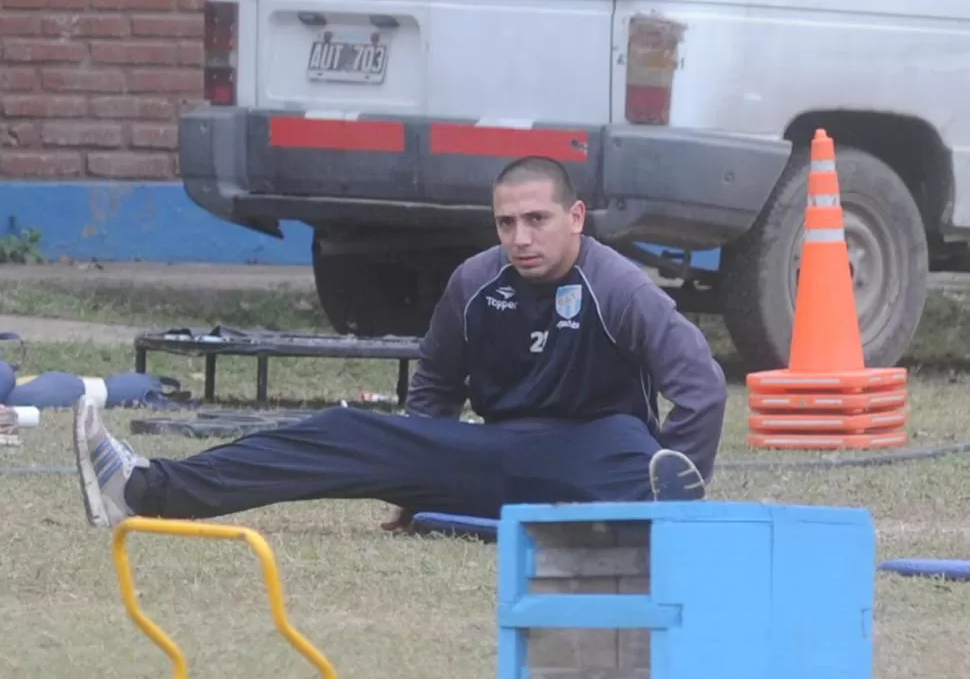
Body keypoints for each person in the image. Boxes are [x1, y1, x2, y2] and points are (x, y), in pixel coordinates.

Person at [71, 156, 728, 531]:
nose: (522, 238)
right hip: (493, 454)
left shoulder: (618, 286)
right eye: (507, 223)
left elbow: (698, 385)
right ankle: (143, 490)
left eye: (538, 219)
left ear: (575, 218)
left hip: (599, 460)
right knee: (346, 428)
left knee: (627, 447)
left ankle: (654, 511)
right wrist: (416, 483)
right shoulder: (473, 282)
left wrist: (680, 496)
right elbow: (436, 388)